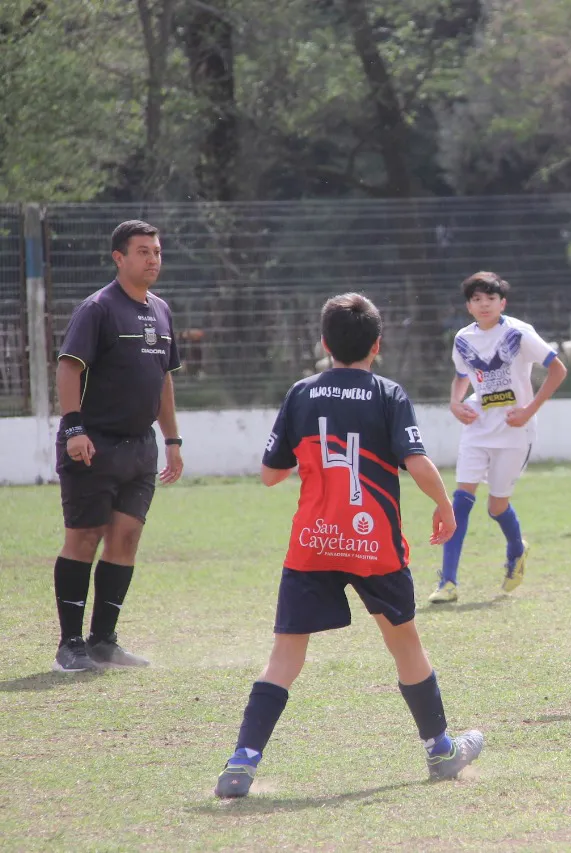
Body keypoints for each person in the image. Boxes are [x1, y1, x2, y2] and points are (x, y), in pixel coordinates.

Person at [214, 293, 482, 798]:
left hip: (314, 540)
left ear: (323, 343)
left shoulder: (301, 393)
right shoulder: (387, 392)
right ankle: (441, 750)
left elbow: (271, 474)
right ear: (376, 345)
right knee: (404, 643)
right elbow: (417, 462)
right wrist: (445, 506)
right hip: (373, 540)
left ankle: (240, 764)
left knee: (285, 655)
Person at [50, 219, 184, 673]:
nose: (152, 259)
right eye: (143, 251)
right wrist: (74, 430)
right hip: (94, 443)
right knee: (84, 538)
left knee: (125, 539)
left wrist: (172, 440)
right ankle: (70, 646)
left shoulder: (162, 311)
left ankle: (103, 641)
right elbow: (69, 369)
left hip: (140, 447)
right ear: (119, 258)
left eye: (157, 252)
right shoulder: (98, 308)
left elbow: (163, 380)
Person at [429, 272, 569, 603]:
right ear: (468, 305)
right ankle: (448, 582)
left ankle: (516, 549)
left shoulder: (519, 333)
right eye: (476, 299)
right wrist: (454, 402)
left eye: (490, 298)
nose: (483, 304)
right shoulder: (463, 338)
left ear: (502, 302)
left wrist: (529, 410)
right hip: (477, 427)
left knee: (496, 506)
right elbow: (462, 376)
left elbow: (558, 369)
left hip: (514, 429)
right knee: (460, 501)